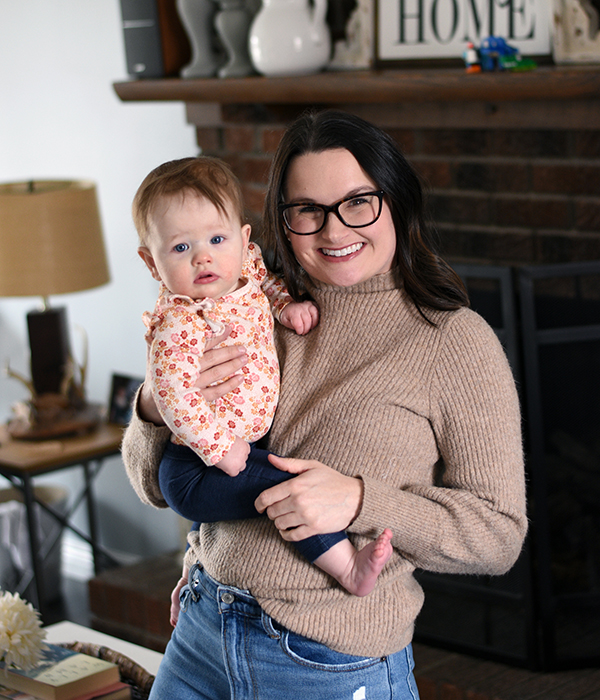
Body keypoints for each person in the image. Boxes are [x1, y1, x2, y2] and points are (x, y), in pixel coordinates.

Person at [122, 110, 527, 700]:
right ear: (277, 225)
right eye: (307, 210)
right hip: (201, 633)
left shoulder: (453, 343)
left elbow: (498, 535)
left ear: (398, 201)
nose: (334, 232)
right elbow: (151, 485)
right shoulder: (245, 309)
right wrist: (154, 405)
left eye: (359, 201)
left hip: (322, 665)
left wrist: (359, 500)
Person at [134, 155, 394, 599]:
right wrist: (216, 447)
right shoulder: (180, 321)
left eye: (218, 238)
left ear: (243, 238)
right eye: (180, 248)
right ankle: (346, 566)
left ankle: (191, 565)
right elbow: (174, 398)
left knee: (273, 488)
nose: (203, 257)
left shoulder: (245, 271)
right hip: (197, 466)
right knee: (287, 489)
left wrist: (285, 305)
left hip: (239, 449)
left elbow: (265, 283)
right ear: (152, 263)